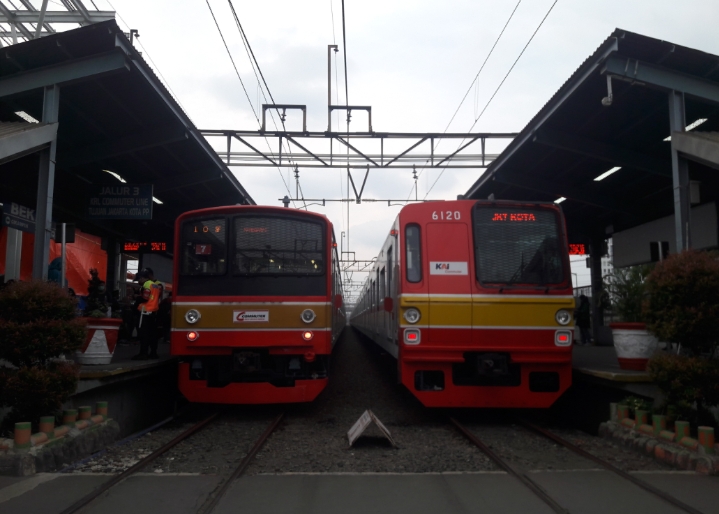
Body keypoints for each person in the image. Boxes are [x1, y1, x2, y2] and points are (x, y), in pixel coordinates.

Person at [131, 268, 164, 360]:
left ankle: (143, 353)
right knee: (152, 334)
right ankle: (153, 353)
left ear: (142, 278)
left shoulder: (146, 285)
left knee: (143, 334)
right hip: (153, 313)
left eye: (138, 280)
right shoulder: (155, 285)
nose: (138, 282)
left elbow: (145, 298)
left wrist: (137, 298)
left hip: (144, 313)